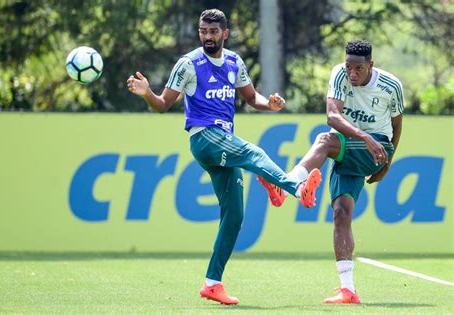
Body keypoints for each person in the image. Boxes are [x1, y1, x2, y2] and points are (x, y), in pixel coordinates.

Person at [126, 9, 321, 305]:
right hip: (205, 138)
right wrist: (146, 93)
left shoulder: (234, 61)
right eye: (203, 31)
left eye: (213, 32)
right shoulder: (188, 64)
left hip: (223, 144)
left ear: (225, 33)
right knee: (252, 152)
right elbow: (163, 105)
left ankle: (212, 283)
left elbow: (251, 98)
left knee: (234, 216)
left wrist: (269, 104)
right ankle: (294, 187)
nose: (207, 37)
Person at [258, 39, 404, 304]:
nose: (352, 73)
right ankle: (347, 289)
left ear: (371, 65)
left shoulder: (391, 85)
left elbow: (397, 126)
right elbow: (332, 116)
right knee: (341, 214)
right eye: (349, 67)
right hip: (348, 147)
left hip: (375, 149)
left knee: (325, 141)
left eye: (359, 68)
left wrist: (387, 162)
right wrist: (362, 136)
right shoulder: (340, 73)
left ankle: (287, 184)